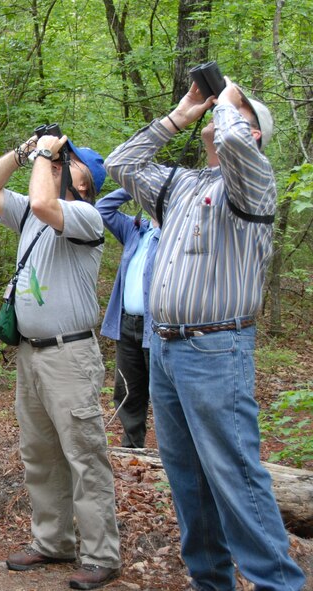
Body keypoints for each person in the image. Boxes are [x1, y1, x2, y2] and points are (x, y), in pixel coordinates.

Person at [106, 79, 306, 591]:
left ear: (253, 131)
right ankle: (209, 581)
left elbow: (237, 145)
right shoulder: (183, 184)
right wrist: (181, 113)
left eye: (233, 114)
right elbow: (120, 164)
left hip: (216, 349)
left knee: (235, 475)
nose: (219, 119)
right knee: (187, 479)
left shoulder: (256, 183)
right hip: (166, 347)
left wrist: (234, 100)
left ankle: (276, 583)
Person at [0, 135, 121, 589]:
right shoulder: (37, 213)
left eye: (66, 164)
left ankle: (102, 555)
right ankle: (53, 541)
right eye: (56, 161)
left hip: (70, 355)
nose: (55, 165)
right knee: (39, 454)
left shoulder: (83, 215)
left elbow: (41, 203)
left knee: (84, 455)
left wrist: (43, 158)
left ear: (84, 183)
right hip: (30, 354)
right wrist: (23, 153)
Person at [95, 188, 160, 448]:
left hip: (156, 327)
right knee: (128, 391)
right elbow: (102, 209)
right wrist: (132, 184)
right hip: (127, 324)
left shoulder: (174, 231)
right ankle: (132, 448)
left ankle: (173, 455)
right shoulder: (135, 230)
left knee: (161, 391)